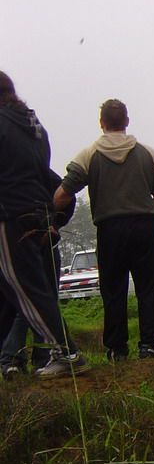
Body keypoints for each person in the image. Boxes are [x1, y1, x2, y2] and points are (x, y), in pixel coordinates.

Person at [54, 99, 154, 362]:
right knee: (147, 288)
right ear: (127, 121)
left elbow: (62, 194)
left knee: (113, 289)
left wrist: (49, 215)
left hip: (110, 228)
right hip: (144, 226)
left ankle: (117, 349)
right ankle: (148, 344)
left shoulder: (88, 155)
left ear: (102, 123)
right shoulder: (149, 154)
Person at [0, 70, 88, 379]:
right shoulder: (32, 126)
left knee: (23, 288)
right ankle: (48, 352)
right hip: (37, 211)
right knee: (28, 288)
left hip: (10, 214)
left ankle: (65, 352)